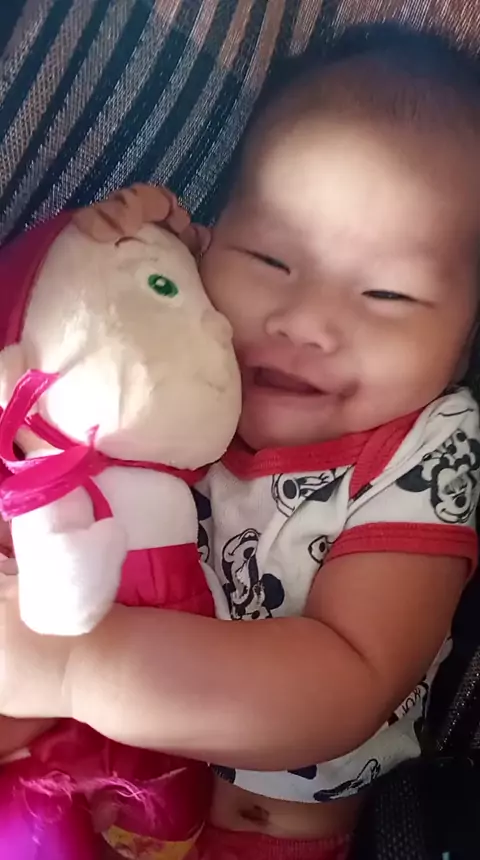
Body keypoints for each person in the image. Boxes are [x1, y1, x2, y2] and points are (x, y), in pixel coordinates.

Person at [1, 28, 480, 860]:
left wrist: (78, 671)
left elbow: (345, 681)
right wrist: (141, 243)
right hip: (87, 788)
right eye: (269, 259)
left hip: (267, 839)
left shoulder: (425, 454)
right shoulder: (180, 383)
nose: (305, 322)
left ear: (466, 341)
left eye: (388, 294)